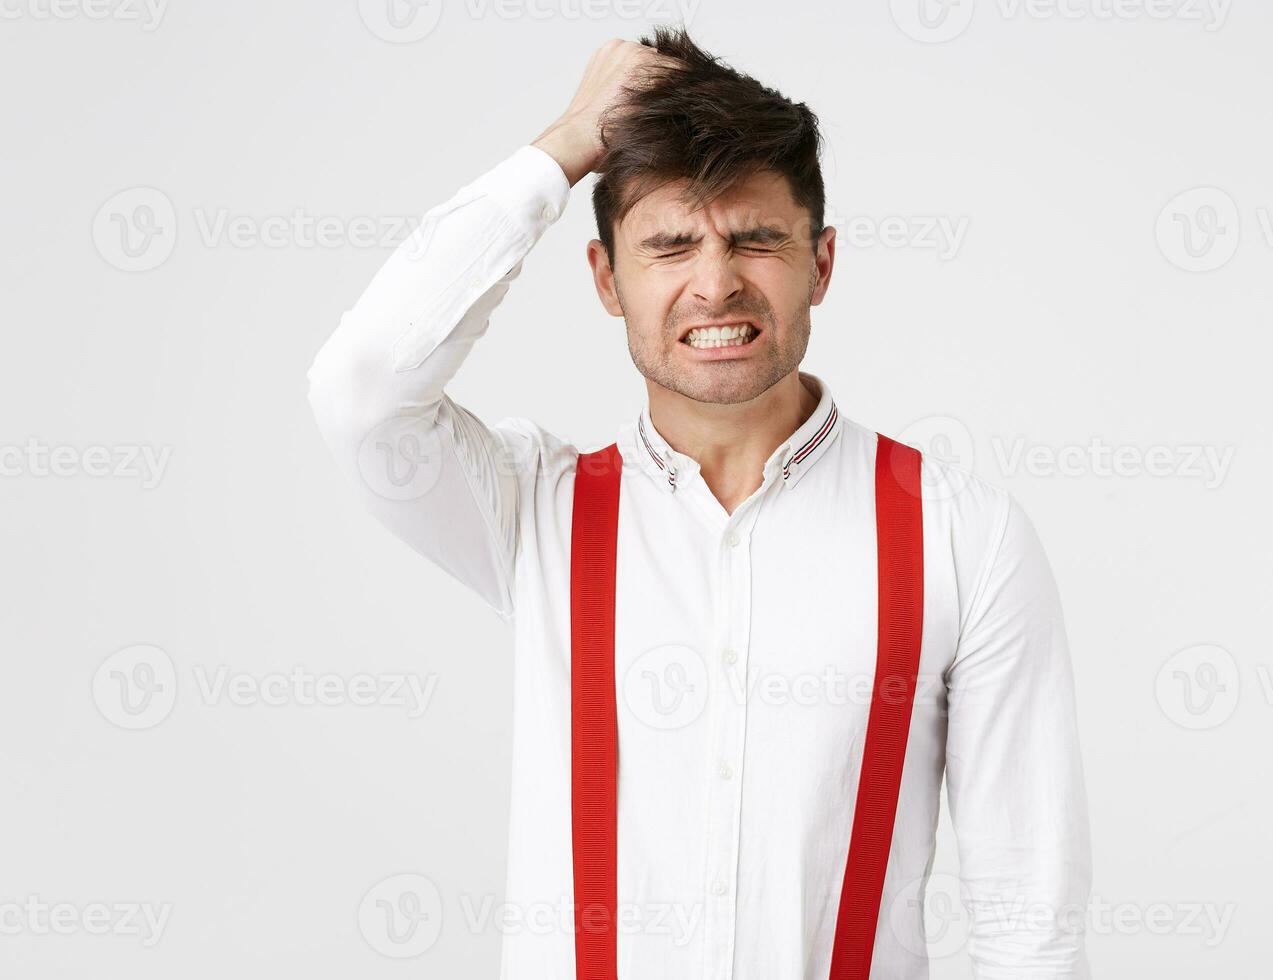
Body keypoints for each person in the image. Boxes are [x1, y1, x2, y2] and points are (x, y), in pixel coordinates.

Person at [308, 25, 1091, 980]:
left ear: (823, 262)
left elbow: (1029, 917)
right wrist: (562, 147)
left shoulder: (965, 535)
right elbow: (361, 389)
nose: (715, 283)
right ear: (606, 279)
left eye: (755, 239)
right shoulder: (533, 512)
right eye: (670, 245)